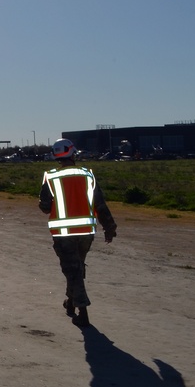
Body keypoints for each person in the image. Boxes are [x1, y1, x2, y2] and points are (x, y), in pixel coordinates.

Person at [39, 138, 117, 327]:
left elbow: (45, 208)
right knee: (76, 268)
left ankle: (83, 311)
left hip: (63, 234)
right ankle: (71, 302)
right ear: (73, 153)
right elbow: (100, 204)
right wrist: (109, 227)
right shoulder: (88, 175)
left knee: (72, 269)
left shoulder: (50, 177)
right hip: (86, 233)